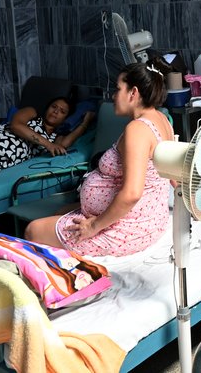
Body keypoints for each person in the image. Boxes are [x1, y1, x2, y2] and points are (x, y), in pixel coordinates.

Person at [24, 61, 174, 257]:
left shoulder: (138, 130)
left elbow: (131, 194)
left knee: (33, 230)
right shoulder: (162, 120)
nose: (113, 95)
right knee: (59, 212)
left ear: (133, 93)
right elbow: (172, 174)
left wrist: (93, 226)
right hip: (149, 220)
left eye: (118, 89)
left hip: (129, 229)